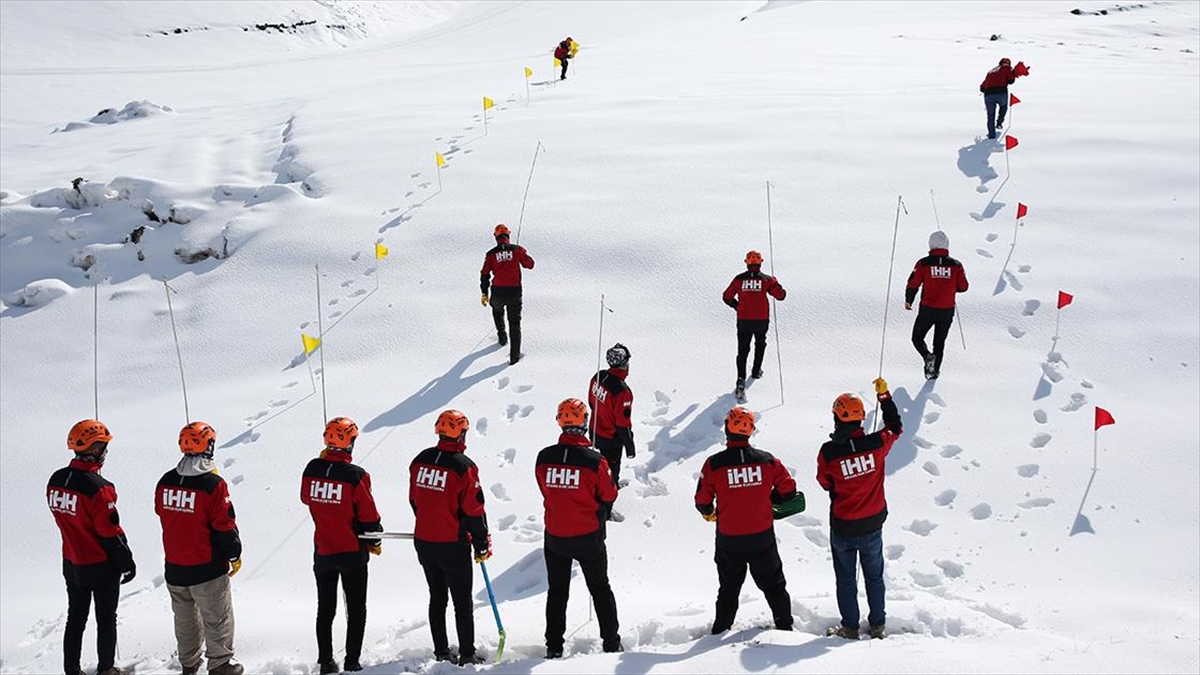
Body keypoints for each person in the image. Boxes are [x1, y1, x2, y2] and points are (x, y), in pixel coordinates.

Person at [694, 407, 797, 635]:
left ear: (727, 429)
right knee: (775, 586)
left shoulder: (714, 464)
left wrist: (710, 511)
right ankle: (785, 628)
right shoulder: (767, 461)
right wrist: (771, 497)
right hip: (761, 537)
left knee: (729, 589)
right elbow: (789, 490)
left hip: (729, 539)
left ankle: (720, 632)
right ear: (750, 431)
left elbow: (702, 501)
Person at [47, 419, 136, 675]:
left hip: (71, 562)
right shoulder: (100, 488)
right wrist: (126, 562)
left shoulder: (56, 480)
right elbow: (110, 532)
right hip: (100, 565)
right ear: (95, 449)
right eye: (104, 446)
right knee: (106, 619)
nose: (106, 452)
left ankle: (72, 670)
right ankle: (106, 669)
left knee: (75, 619)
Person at [535, 399, 622, 658]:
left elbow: (544, 488)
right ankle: (611, 642)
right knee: (600, 588)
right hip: (588, 537)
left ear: (560, 422)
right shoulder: (595, 460)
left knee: (557, 592)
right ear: (584, 423)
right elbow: (609, 494)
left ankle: (553, 647)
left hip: (555, 537)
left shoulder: (544, 457)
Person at [816, 378, 903, 640]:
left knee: (845, 580)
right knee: (874, 577)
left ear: (838, 419)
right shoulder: (877, 444)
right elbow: (895, 427)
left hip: (843, 526)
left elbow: (824, 482)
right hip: (872, 525)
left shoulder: (829, 452)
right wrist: (885, 397)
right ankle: (878, 625)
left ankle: (850, 627)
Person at [155, 422, 244, 675]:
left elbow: (161, 511)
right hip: (207, 567)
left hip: (175, 566)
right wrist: (234, 553)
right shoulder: (212, 484)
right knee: (217, 618)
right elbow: (224, 525)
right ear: (209, 445)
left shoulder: (165, 481)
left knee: (185, 621)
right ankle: (220, 664)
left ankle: (189, 664)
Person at [300, 417, 383, 675]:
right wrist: (375, 538)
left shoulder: (312, 468)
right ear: (350, 443)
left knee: (325, 609)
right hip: (351, 552)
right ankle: (352, 661)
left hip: (323, 551)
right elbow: (368, 515)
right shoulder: (355, 475)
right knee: (356, 608)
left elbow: (305, 497)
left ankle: (325, 661)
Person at [408, 410, 491, 666]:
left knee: (437, 597)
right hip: (452, 544)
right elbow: (473, 509)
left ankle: (441, 651)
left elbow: (414, 499)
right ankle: (467, 654)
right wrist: (481, 541)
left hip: (424, 540)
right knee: (462, 602)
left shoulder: (420, 460)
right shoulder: (463, 466)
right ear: (462, 433)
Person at [722, 250, 786, 400]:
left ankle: (740, 380)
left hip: (743, 319)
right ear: (760, 262)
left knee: (743, 350)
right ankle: (756, 371)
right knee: (760, 344)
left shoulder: (739, 279)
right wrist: (775, 283)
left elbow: (726, 296)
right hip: (761, 319)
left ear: (746, 262)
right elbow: (781, 296)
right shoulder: (767, 280)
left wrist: (737, 306)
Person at [905, 230, 969, 380]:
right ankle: (933, 374)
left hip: (928, 309)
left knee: (917, 338)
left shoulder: (923, 263)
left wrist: (909, 300)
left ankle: (927, 357)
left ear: (930, 244)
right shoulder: (956, 265)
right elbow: (964, 286)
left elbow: (913, 283)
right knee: (939, 343)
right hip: (946, 311)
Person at [480, 223, 535, 365]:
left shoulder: (491, 254)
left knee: (497, 312)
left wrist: (484, 293)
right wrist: (523, 255)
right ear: (508, 236)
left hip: (497, 292)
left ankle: (502, 336)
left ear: (496, 238)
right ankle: (514, 357)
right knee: (515, 324)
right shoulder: (517, 250)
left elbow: (484, 274)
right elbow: (530, 264)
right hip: (514, 293)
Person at [587, 343, 635, 492]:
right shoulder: (622, 392)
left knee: (598, 468)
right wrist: (629, 445)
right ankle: (606, 508)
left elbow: (591, 402)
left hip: (595, 431)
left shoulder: (598, 376)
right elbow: (622, 423)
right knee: (610, 475)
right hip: (611, 439)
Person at [980, 57, 1015, 139]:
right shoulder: (1006, 67)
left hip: (988, 94)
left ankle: (991, 135)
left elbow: (982, 87)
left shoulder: (991, 71)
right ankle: (999, 122)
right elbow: (1011, 81)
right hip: (1001, 92)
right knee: (1004, 106)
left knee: (990, 115)